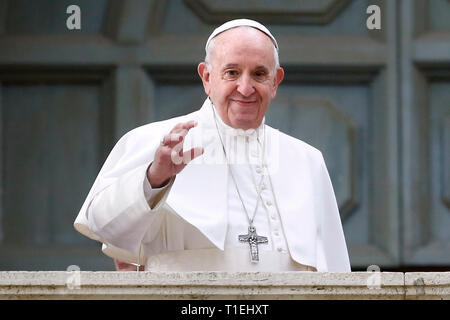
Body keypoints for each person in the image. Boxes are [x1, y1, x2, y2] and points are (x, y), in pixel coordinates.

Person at [74, 19, 351, 272]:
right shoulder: (153, 142)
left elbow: (335, 271)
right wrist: (155, 178)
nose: (245, 88)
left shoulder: (306, 160)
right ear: (207, 77)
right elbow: (103, 226)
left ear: (275, 81)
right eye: (232, 72)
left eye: (258, 74)